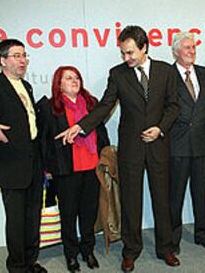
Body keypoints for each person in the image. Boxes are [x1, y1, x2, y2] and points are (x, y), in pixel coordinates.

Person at [55, 25, 180, 272]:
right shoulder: (118, 74)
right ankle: (131, 251)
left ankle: (166, 248)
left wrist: (159, 128)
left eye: (131, 52)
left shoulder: (166, 71)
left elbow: (173, 106)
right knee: (131, 201)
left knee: (162, 200)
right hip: (131, 147)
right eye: (123, 53)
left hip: (158, 145)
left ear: (145, 47)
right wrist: (81, 126)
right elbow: (105, 106)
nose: (126, 58)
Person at [0, 39, 47, 273]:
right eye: (16, 56)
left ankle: (30, 262)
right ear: (3, 60)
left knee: (33, 218)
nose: (23, 60)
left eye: (24, 55)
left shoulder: (26, 86)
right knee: (16, 221)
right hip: (10, 166)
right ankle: (17, 267)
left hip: (33, 163)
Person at [37, 66, 110, 272]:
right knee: (68, 215)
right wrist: (47, 168)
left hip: (91, 167)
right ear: (58, 84)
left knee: (89, 212)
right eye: (68, 78)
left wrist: (104, 155)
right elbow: (44, 140)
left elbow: (101, 132)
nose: (74, 81)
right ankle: (71, 255)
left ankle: (88, 250)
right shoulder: (50, 107)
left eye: (77, 77)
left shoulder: (91, 104)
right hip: (66, 170)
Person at [169, 32, 205, 254]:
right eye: (187, 47)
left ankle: (201, 233)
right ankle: (173, 238)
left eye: (194, 47)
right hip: (176, 145)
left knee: (201, 192)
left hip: (201, 145)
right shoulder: (167, 75)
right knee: (176, 195)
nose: (191, 51)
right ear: (176, 51)